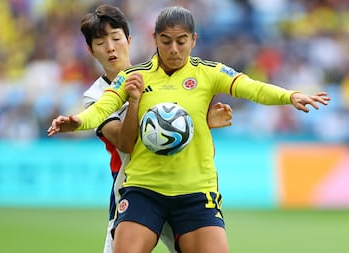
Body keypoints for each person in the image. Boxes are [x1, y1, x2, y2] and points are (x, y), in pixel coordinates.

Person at [48, 6, 330, 253]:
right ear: (155, 39)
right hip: (143, 188)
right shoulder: (132, 78)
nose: (173, 49)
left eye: (181, 41)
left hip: (195, 191)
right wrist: (78, 121)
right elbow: (106, 116)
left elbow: (251, 88)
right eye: (166, 41)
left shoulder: (209, 72)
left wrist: (289, 96)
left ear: (194, 40)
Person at [77, 4, 233, 253]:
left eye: (116, 39)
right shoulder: (96, 95)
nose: (110, 48)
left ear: (129, 39)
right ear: (90, 50)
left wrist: (202, 122)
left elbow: (179, 130)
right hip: (134, 188)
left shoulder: (155, 75)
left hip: (179, 184)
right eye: (100, 43)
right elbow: (126, 143)